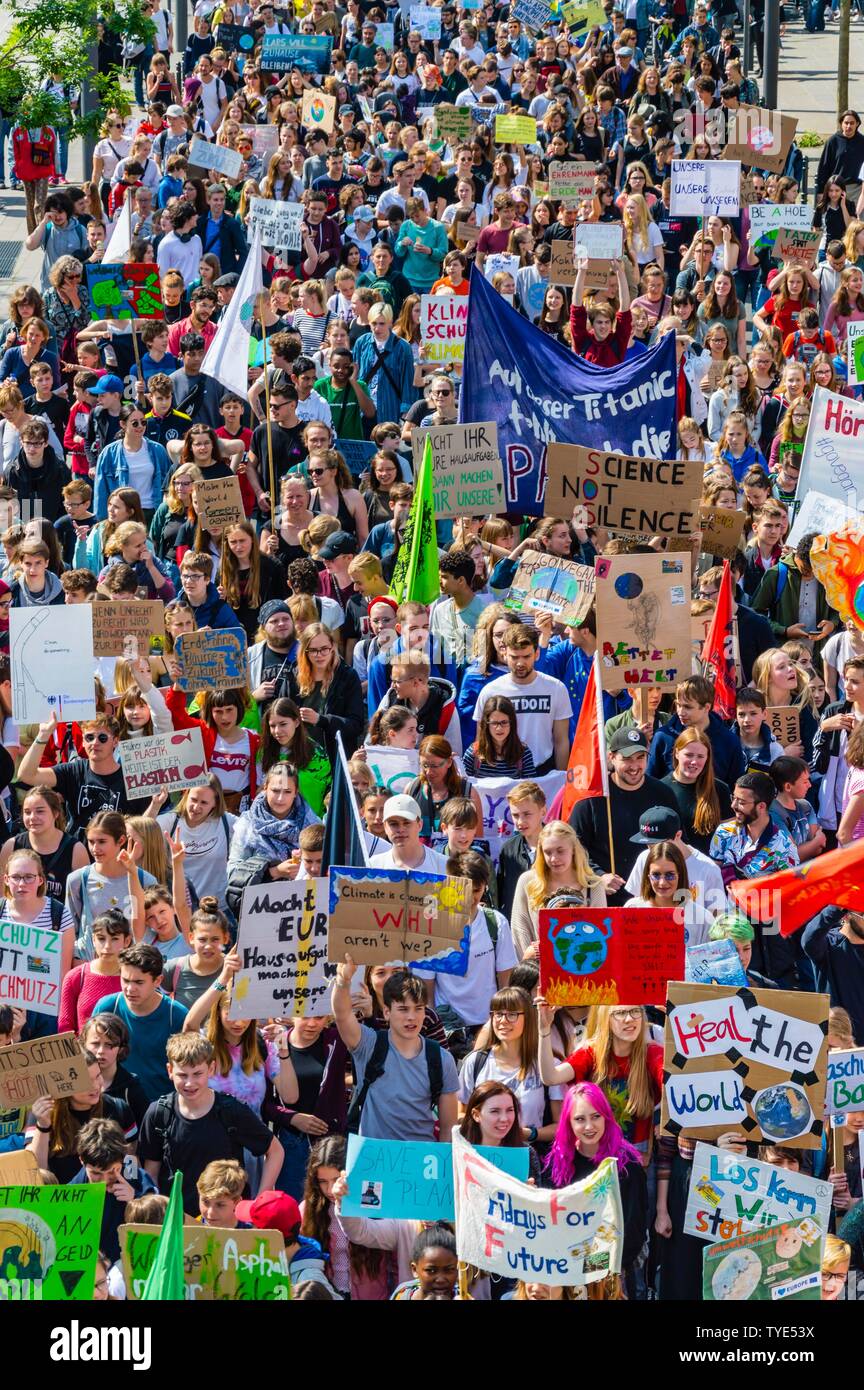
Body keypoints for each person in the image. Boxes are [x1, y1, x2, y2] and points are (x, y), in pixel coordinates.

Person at [139, 1032, 284, 1215]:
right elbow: (151, 1172)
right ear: (170, 1071)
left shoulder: (232, 1111)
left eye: (197, 1074)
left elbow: (275, 1151)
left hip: (225, 1223)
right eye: (182, 1075)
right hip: (178, 1221)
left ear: (211, 1068)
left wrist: (260, 1200)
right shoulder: (158, 1114)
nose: (190, 1083)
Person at [331, 962, 459, 1142]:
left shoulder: (442, 1059)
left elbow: (448, 1129)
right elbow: (342, 1014)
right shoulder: (369, 1044)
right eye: (403, 1009)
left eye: (418, 1009)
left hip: (421, 1159)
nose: (411, 1017)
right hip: (372, 1157)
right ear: (387, 1012)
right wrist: (343, 980)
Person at [544, 1082, 647, 1288]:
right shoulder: (556, 1164)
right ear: (569, 1123)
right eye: (580, 1119)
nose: (589, 1126)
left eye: (596, 1116)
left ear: (606, 1117)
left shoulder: (627, 1165)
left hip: (616, 1273)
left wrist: (591, 1268)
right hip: (568, 1272)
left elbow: (634, 1231)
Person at [538, 1001, 663, 1160]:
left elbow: (674, 1085)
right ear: (606, 1019)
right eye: (620, 1013)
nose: (629, 1019)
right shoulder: (591, 1052)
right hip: (596, 1149)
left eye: (635, 1011)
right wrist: (544, 1030)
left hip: (637, 1154)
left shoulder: (652, 1052)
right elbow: (550, 1077)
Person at [569, 729, 680, 906]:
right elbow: (574, 848)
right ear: (611, 757)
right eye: (627, 759)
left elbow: (677, 843)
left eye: (640, 757)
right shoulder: (592, 799)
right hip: (606, 900)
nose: (634, 766)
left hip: (652, 900)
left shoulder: (663, 794)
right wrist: (598, 876)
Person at [91, 943, 188, 1102]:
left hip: (160, 1106)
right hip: (115, 1105)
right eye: (125, 980)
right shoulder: (107, 1007)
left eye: (139, 982)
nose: (130, 989)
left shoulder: (176, 1015)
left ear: (158, 981)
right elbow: (88, 1057)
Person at [473, 624, 571, 775]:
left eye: (526, 656)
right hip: (502, 772)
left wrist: (562, 778)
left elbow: (561, 740)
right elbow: (481, 740)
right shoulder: (490, 691)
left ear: (537, 654)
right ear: (504, 653)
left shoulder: (556, 689)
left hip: (543, 770)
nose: (520, 663)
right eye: (514, 657)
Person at [510, 821, 606, 962]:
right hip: (537, 969)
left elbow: (599, 935)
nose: (554, 859)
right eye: (548, 852)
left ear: (573, 849)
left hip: (581, 966)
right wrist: (531, 969)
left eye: (560, 851)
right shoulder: (527, 882)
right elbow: (520, 929)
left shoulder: (593, 885)